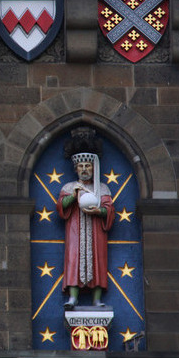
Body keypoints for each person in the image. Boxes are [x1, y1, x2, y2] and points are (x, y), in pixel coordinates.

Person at [56, 128, 115, 309]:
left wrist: (99, 212)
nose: (84, 169)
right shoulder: (69, 186)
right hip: (75, 231)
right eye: (81, 167)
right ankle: (73, 298)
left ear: (93, 168)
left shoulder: (101, 188)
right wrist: (73, 196)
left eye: (87, 166)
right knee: (74, 260)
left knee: (97, 261)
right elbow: (61, 206)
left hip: (95, 231)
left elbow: (109, 209)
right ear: (76, 169)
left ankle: (96, 300)